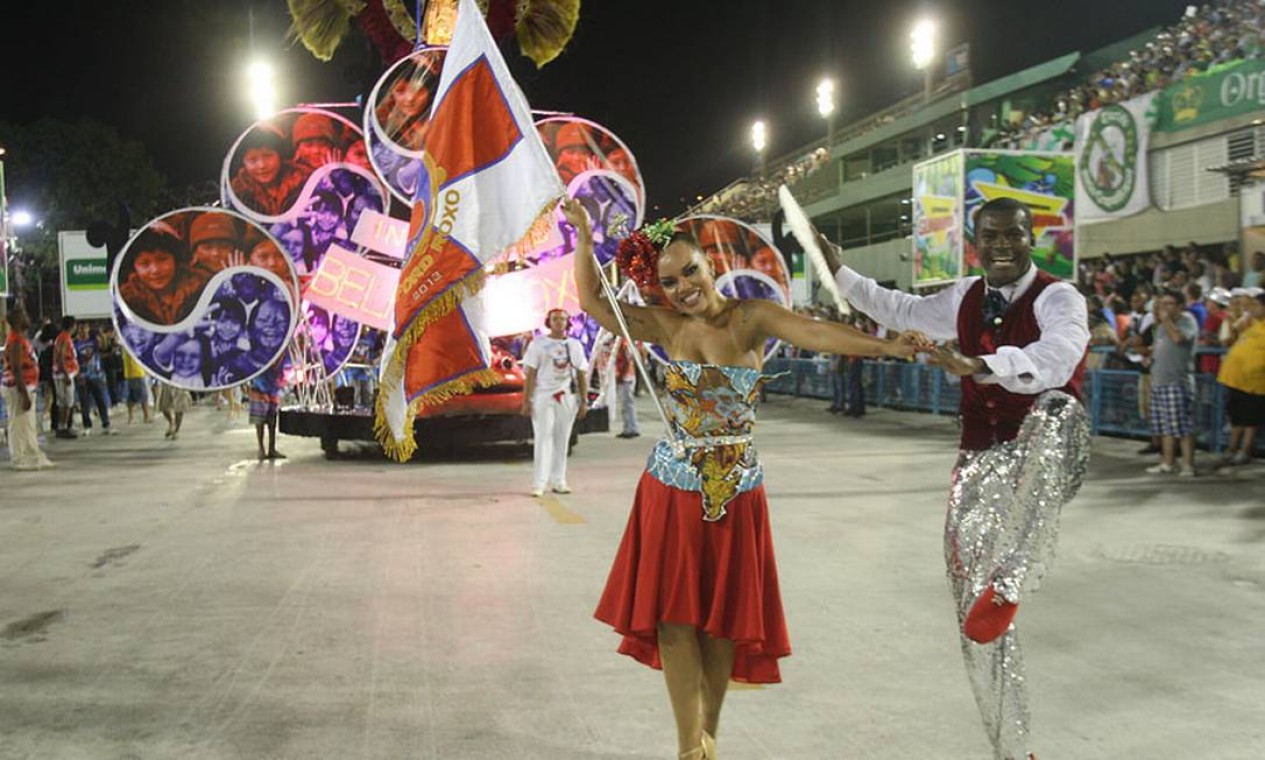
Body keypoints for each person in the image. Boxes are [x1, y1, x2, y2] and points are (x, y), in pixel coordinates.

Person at [570, 200, 929, 760]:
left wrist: (886, 346)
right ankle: (688, 748)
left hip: (736, 491)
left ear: (710, 265)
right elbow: (593, 301)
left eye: (690, 271)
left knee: (720, 621)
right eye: (670, 281)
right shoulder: (664, 325)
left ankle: (709, 734)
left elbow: (816, 332)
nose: (684, 288)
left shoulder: (750, 318)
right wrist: (584, 240)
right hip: (672, 490)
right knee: (674, 619)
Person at [821, 196, 1090, 760]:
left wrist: (981, 365)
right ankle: (1011, 743)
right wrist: (839, 271)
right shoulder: (965, 295)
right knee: (968, 592)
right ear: (976, 242)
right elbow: (900, 309)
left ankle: (1013, 578)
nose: (1002, 245)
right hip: (982, 447)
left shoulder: (1059, 296)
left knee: (1055, 413)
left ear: (1031, 238)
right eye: (991, 235)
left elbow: (1060, 355)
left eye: (1013, 234)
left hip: (1047, 445)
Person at [521, 308, 590, 496]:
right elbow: (531, 374)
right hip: (543, 395)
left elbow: (581, 373)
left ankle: (559, 480)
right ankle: (539, 483)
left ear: (568, 323)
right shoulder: (538, 344)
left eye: (562, 319)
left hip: (566, 396)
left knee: (562, 438)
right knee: (543, 437)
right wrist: (526, 400)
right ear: (548, 322)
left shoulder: (574, 345)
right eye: (555, 319)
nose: (559, 322)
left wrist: (584, 400)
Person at [1146, 290, 1200, 477]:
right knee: (1165, 427)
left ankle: (1188, 465)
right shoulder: (1162, 326)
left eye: (1168, 303)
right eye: (1162, 304)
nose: (1164, 308)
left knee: (1183, 426)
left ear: (1179, 306)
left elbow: (1178, 339)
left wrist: (1167, 320)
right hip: (1159, 380)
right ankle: (1168, 463)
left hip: (1177, 381)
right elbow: (1158, 349)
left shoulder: (1187, 320)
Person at [117, 223, 208, 327]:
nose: (155, 270)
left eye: (162, 259)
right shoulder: (127, 300)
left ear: (175, 259)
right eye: (144, 263)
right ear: (134, 267)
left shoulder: (202, 289)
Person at [1215, 292, 1264, 467]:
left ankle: (1245, 451)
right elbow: (1231, 336)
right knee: (1236, 417)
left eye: (1256, 305)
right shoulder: (1252, 325)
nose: (1251, 308)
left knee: (1250, 419)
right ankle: (1231, 449)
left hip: (1254, 382)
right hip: (1235, 379)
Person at [3, 303, 55, 470]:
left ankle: (33, 454)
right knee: (18, 424)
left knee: (28, 424)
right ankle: (19, 458)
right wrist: (23, 393)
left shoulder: (20, 338)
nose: (28, 317)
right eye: (24, 315)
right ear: (17, 320)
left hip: (27, 386)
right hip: (18, 388)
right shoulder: (15, 340)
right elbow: (16, 369)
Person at [229, 122, 309, 217]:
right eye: (252, 160)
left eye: (268, 156)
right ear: (243, 163)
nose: (262, 165)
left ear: (279, 156)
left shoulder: (304, 181)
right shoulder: (237, 193)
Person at [250, 357, 287, 461]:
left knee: (272, 421)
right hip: (259, 386)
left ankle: (272, 449)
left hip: (273, 387)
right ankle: (261, 448)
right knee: (259, 420)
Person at [51, 315, 80, 438]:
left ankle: (63, 426)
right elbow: (61, 356)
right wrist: (66, 374)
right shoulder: (64, 338)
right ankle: (63, 427)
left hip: (62, 373)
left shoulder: (63, 337)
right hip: (63, 374)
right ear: (72, 326)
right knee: (66, 402)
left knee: (64, 402)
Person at [613, 338, 641, 438]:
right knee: (626, 404)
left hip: (626, 376)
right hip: (627, 374)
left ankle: (631, 428)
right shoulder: (625, 342)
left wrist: (620, 375)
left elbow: (626, 360)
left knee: (627, 403)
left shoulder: (623, 343)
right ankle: (628, 427)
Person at [120, 337, 151, 424]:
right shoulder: (132, 346)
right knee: (143, 396)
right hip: (137, 372)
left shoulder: (126, 345)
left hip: (129, 373)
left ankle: (131, 416)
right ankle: (146, 416)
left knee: (132, 396)